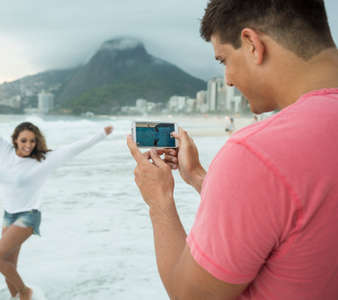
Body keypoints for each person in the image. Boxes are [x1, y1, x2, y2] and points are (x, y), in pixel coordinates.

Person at [127, 0, 338, 299]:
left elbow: (191, 296)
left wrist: (159, 201)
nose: (227, 79)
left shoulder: (256, 152)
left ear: (252, 43)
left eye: (223, 60)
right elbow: (288, 210)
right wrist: (199, 177)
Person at [0, 81, 113, 300]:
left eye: (32, 141)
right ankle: (16, 296)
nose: (28, 145)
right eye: (24, 140)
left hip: (28, 215)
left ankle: (26, 292)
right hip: (8, 215)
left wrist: (101, 134)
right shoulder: (3, 152)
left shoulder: (43, 160)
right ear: (15, 140)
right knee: (8, 264)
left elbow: (72, 149)